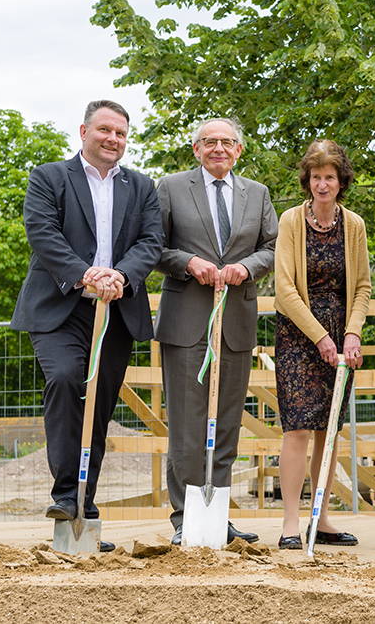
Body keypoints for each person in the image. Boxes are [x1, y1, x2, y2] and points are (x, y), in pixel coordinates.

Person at [11, 100, 163, 553]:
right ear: (83, 131)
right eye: (104, 130)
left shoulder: (141, 187)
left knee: (98, 408)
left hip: (115, 310)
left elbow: (151, 240)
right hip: (61, 304)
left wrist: (120, 275)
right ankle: (64, 496)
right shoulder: (50, 177)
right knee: (64, 380)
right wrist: (85, 273)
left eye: (120, 132)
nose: (112, 139)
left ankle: (85, 507)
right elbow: (42, 231)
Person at [154, 118, 278, 546]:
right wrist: (189, 263)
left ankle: (217, 515)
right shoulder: (170, 188)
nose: (218, 149)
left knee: (225, 424)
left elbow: (272, 247)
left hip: (236, 322)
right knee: (188, 427)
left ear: (239, 150)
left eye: (227, 142)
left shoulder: (257, 194)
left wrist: (247, 267)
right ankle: (185, 519)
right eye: (209, 142)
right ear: (196, 150)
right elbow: (153, 246)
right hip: (187, 320)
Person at [273, 140, 371, 550]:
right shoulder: (291, 221)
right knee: (298, 428)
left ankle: (322, 516)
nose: (322, 184)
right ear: (308, 181)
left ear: (340, 181)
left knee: (328, 431)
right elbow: (283, 289)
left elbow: (363, 286)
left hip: (340, 334)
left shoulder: (355, 226)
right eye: (316, 177)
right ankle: (291, 522)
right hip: (299, 333)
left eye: (329, 177)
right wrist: (321, 337)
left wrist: (352, 332)